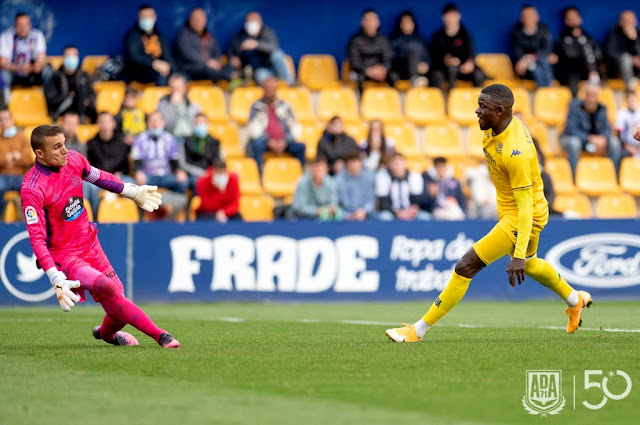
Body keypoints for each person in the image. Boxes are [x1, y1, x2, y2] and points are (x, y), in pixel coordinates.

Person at [385, 84, 592, 343]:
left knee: (465, 266)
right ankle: (576, 298)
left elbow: (524, 206)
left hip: (521, 215)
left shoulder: (516, 151)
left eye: (482, 107)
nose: (477, 111)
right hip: (523, 210)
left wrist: (516, 255)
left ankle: (418, 330)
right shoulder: (495, 128)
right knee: (531, 264)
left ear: (500, 110)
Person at [20, 124, 179, 347]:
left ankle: (105, 333)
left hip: (89, 243)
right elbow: (37, 239)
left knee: (117, 300)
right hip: (64, 254)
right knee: (107, 287)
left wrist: (132, 191)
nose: (65, 150)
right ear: (40, 153)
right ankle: (160, 335)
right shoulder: (32, 188)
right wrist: (54, 276)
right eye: (57, 147)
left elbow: (99, 177)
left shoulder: (74, 160)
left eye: (64, 143)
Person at [560, 83, 621, 177]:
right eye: (589, 95)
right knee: (574, 143)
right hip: (576, 139)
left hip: (595, 142)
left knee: (614, 142)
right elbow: (571, 129)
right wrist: (590, 138)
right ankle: (574, 177)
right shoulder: (574, 107)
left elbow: (607, 128)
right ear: (584, 95)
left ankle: (613, 177)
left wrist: (603, 138)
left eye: (594, 96)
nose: (591, 99)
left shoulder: (602, 108)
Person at [247, 77, 305, 173]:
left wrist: (285, 141)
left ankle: (299, 176)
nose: (270, 91)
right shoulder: (256, 106)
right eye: (267, 88)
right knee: (256, 145)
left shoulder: (285, 105)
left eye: (272, 89)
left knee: (301, 147)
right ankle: (259, 176)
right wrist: (269, 141)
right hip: (265, 142)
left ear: (276, 89)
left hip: (284, 142)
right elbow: (253, 129)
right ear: (263, 89)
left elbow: (295, 126)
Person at [429, 3, 486, 91]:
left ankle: (477, 100)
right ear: (443, 17)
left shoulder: (466, 35)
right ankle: (447, 101)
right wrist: (446, 61)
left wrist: (469, 63)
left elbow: (471, 54)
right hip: (445, 70)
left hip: (463, 69)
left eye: (453, 15)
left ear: (458, 16)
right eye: (448, 16)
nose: (451, 19)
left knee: (479, 74)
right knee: (438, 75)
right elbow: (435, 57)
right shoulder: (438, 36)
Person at [227, 11, 292, 85]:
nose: (251, 24)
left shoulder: (268, 32)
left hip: (274, 68)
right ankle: (272, 88)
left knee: (277, 54)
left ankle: (289, 83)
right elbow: (231, 48)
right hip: (261, 70)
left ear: (260, 22)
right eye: (249, 21)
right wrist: (232, 57)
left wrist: (256, 44)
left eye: (254, 21)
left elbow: (273, 46)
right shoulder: (242, 35)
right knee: (259, 74)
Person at [132, 111, 189, 195]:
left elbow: (174, 159)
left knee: (183, 182)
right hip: (147, 176)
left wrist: (179, 171)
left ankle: (173, 204)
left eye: (158, 121)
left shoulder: (170, 138)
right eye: (152, 121)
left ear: (163, 123)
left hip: (166, 174)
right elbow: (136, 160)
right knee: (135, 185)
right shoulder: (140, 139)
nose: (155, 124)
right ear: (148, 123)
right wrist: (138, 172)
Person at [174, 7, 236, 83]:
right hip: (192, 68)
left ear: (205, 20)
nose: (197, 21)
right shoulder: (183, 34)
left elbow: (217, 52)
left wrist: (216, 62)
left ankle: (233, 76)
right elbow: (188, 53)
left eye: (200, 18)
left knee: (228, 67)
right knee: (208, 70)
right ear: (190, 20)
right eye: (195, 18)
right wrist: (207, 62)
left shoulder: (209, 36)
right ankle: (230, 76)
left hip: (210, 68)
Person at [86, 112, 132, 214]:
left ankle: (134, 216)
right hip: (98, 179)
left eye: (107, 121)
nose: (105, 125)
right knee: (90, 187)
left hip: (118, 177)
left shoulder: (122, 144)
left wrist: (120, 173)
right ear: (98, 124)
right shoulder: (91, 144)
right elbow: (89, 166)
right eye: (102, 122)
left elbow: (125, 165)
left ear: (113, 124)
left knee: (131, 184)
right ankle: (95, 216)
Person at [0, 13, 50, 102]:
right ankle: (4, 103)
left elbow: (41, 58)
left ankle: (49, 100)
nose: (23, 28)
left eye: (26, 24)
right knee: (3, 74)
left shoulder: (37, 35)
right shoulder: (5, 37)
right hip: (14, 74)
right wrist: (19, 68)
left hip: (33, 73)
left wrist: (36, 66)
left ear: (30, 25)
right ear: (15, 25)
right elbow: (2, 62)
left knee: (48, 70)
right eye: (20, 25)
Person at [553, 7, 602, 96]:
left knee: (599, 75)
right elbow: (570, 56)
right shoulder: (562, 39)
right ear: (566, 21)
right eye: (570, 18)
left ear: (580, 19)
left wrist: (592, 69)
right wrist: (577, 41)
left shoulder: (588, 38)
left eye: (575, 17)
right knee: (572, 77)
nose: (573, 21)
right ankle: (575, 103)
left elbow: (598, 55)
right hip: (572, 71)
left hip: (590, 70)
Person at [122, 5, 174, 85]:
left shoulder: (159, 35)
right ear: (139, 18)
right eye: (144, 16)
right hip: (139, 73)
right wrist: (154, 63)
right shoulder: (132, 35)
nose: (147, 19)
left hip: (160, 70)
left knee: (180, 77)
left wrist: (172, 69)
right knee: (160, 75)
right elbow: (135, 57)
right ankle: (160, 97)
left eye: (149, 16)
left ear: (155, 17)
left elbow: (167, 56)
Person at [45, 45, 96, 122]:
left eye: (74, 56)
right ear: (63, 58)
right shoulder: (56, 76)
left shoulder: (84, 75)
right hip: (62, 111)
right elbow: (51, 100)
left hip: (82, 111)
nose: (71, 59)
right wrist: (67, 96)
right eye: (68, 56)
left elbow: (92, 94)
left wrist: (88, 101)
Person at [375, 152, 430, 221]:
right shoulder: (383, 177)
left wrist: (412, 209)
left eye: (400, 163)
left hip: (410, 211)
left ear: (405, 164)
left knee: (425, 217)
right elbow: (383, 202)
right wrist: (396, 212)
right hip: (391, 212)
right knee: (384, 217)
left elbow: (418, 200)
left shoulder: (414, 176)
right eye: (395, 164)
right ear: (390, 165)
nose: (398, 167)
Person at [510, 5, 555, 88]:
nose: (529, 18)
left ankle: (547, 91)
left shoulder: (544, 29)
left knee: (544, 61)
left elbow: (546, 50)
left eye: (532, 15)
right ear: (521, 18)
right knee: (537, 68)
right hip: (526, 67)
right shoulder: (516, 33)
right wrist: (525, 60)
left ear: (537, 17)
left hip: (542, 62)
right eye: (526, 16)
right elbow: (518, 54)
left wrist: (532, 57)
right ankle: (545, 92)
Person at [347, 9, 393, 89]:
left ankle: (391, 100)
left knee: (394, 76)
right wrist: (368, 71)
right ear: (362, 23)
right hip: (362, 72)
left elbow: (388, 58)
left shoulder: (383, 40)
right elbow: (354, 62)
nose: (370, 23)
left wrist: (383, 69)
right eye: (368, 20)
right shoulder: (355, 40)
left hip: (381, 72)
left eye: (373, 20)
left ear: (378, 22)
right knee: (358, 77)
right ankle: (361, 101)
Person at [0, 109, 32, 215]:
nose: (4, 122)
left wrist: (10, 159)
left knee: (30, 190)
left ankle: (27, 218)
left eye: (7, 119)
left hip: (20, 176)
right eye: (1, 120)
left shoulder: (22, 139)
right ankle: (2, 217)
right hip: (3, 176)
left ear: (12, 120)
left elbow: (28, 159)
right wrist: (12, 157)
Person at [179, 113, 223, 188]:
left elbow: (220, 161)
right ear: (194, 124)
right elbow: (184, 163)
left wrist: (211, 173)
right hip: (194, 174)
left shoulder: (215, 142)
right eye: (198, 123)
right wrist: (200, 173)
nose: (201, 125)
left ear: (207, 124)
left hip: (212, 173)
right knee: (196, 182)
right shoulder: (187, 141)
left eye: (203, 122)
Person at [390, 10, 430, 87]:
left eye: (409, 23)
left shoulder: (420, 40)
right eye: (404, 23)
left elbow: (427, 57)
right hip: (402, 70)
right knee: (412, 54)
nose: (406, 25)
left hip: (420, 71)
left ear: (413, 24)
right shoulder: (395, 40)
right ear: (400, 25)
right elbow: (392, 59)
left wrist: (426, 65)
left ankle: (416, 78)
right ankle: (414, 78)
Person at [156, 73, 200, 140]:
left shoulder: (192, 105)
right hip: (170, 138)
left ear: (185, 88)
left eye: (179, 87)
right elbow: (166, 126)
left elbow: (195, 125)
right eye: (173, 87)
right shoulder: (163, 104)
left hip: (190, 139)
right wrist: (173, 105)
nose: (176, 90)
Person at [605, 10, 640, 91]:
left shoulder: (638, 33)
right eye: (626, 21)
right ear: (620, 22)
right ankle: (630, 89)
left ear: (635, 22)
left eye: (631, 20)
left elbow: (638, 52)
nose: (629, 23)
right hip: (617, 67)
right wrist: (631, 59)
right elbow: (611, 53)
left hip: (635, 68)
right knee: (626, 58)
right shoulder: (614, 33)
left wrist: (633, 39)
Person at [335, 151, 375, 221]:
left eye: (356, 162)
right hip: (344, 215)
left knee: (385, 216)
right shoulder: (338, 180)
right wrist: (347, 215)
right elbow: (335, 202)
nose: (354, 165)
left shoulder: (369, 178)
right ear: (346, 164)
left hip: (366, 214)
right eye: (351, 162)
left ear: (361, 163)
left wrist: (363, 211)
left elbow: (371, 200)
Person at [615, 90, 640, 157]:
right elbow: (619, 134)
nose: (632, 102)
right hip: (626, 146)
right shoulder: (621, 114)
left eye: (634, 100)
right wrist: (627, 146)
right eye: (630, 100)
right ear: (627, 101)